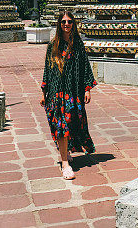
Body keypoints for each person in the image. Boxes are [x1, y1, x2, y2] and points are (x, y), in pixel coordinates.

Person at [39, 10, 96, 180]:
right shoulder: (53, 45)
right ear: (59, 24)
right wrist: (44, 92)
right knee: (60, 127)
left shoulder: (78, 44)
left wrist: (87, 89)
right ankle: (65, 163)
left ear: (73, 24)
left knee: (71, 124)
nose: (66, 24)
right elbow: (47, 70)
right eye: (63, 21)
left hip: (73, 92)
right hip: (56, 92)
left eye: (69, 21)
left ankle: (66, 153)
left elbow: (85, 67)